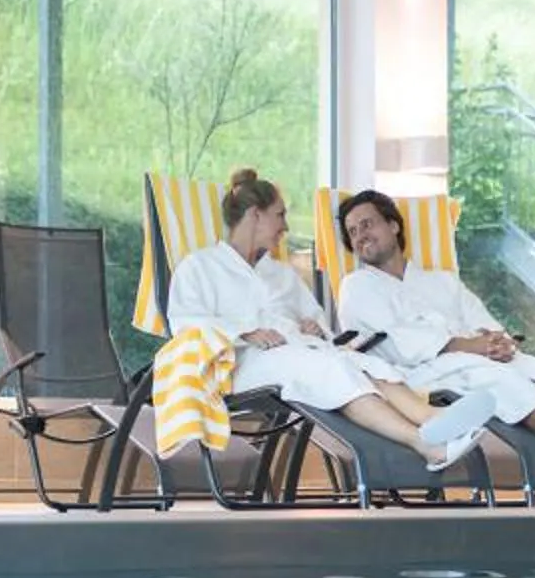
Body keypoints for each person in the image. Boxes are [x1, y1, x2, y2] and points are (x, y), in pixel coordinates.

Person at [331, 187, 535, 501]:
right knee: (505, 381)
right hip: (422, 373)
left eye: (367, 224)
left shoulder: (441, 280)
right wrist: (473, 346)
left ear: (394, 225)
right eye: (353, 232)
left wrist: (499, 342)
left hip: (476, 357)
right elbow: (398, 343)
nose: (360, 235)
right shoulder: (357, 286)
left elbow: (481, 320)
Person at [165, 171, 495, 469]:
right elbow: (185, 323)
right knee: (333, 369)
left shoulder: (281, 274)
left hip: (300, 353)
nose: (286, 227)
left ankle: (433, 418)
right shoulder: (200, 267)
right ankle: (425, 442)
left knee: (363, 364)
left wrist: (315, 327)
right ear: (256, 215)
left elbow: (318, 321)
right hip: (242, 364)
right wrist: (246, 332)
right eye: (280, 214)